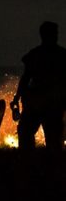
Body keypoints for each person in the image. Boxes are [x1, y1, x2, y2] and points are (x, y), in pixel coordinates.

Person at [11, 21, 66, 151]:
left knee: (28, 135)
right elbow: (26, 78)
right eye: (54, 33)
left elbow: (25, 78)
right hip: (48, 103)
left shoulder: (35, 54)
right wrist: (17, 97)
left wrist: (17, 97)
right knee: (51, 140)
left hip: (39, 102)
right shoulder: (61, 55)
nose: (56, 36)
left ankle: (31, 165)